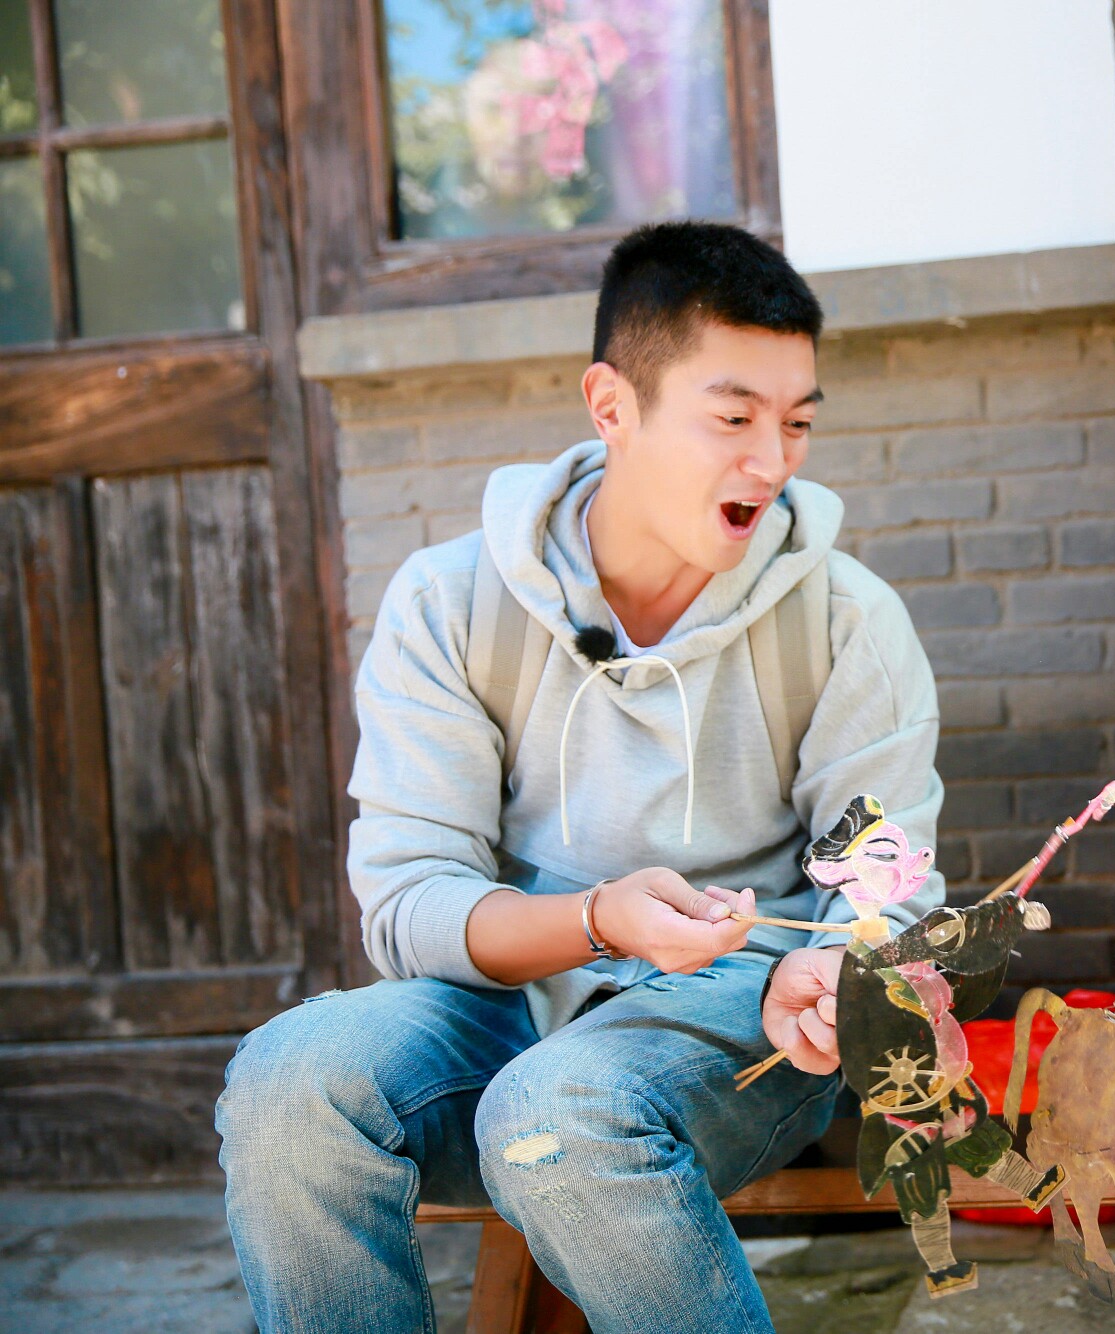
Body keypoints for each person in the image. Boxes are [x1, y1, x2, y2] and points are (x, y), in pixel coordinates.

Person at [215, 222, 945, 1333]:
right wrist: (600, 918)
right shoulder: (448, 604)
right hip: (501, 1011)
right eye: (733, 416)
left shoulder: (846, 620)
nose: (774, 459)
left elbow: (881, 890)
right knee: (288, 1082)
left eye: (795, 421)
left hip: (742, 1021)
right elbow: (409, 905)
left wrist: (839, 969)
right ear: (612, 407)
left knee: (558, 1107)